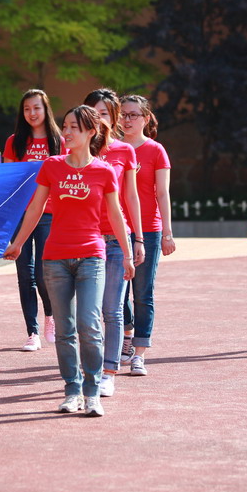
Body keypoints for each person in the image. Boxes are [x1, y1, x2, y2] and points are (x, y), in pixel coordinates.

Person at [4, 105, 134, 417]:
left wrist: (128, 254)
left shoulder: (104, 171)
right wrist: (18, 243)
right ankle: (72, 390)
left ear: (91, 132)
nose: (67, 132)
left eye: (74, 127)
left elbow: (116, 214)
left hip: (92, 255)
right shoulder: (52, 166)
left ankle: (92, 392)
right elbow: (36, 208)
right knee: (65, 329)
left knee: (89, 324)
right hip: (55, 258)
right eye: (65, 126)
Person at [82, 89, 144, 398]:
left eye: (104, 113)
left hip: (118, 239)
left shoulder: (124, 151)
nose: (98, 118)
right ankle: (88, 370)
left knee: (113, 309)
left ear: (114, 117)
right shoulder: (76, 151)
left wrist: (138, 238)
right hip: (86, 239)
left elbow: (131, 196)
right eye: (93, 113)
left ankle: (109, 373)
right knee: (87, 312)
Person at [119, 94, 176, 377]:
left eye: (133, 115)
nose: (127, 120)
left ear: (145, 118)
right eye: (123, 114)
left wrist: (167, 232)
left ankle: (139, 352)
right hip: (116, 230)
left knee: (142, 292)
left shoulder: (155, 150)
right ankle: (126, 333)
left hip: (149, 231)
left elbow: (162, 193)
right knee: (116, 294)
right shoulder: (111, 149)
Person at [3, 89, 64, 352]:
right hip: (20, 214)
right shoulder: (14, 142)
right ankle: (32, 332)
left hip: (50, 214)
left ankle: (50, 315)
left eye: (36, 108)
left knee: (43, 274)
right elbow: (8, 178)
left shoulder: (59, 141)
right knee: (24, 274)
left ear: (46, 109)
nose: (32, 113)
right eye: (27, 109)